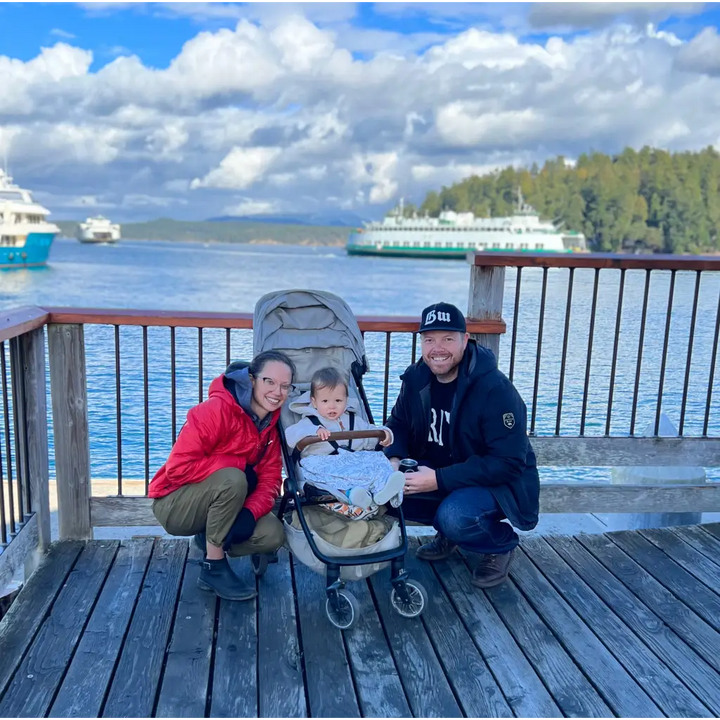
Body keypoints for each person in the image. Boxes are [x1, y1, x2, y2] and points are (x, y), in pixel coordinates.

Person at [384, 302, 539, 588]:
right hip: (441, 475)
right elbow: (398, 425)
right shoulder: (416, 377)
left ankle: (499, 545)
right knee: (384, 495)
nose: (437, 348)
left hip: (496, 485)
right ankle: (450, 533)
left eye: (447, 339)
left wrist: (438, 479)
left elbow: (509, 463)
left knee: (455, 516)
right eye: (429, 339)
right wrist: (394, 459)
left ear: (465, 340)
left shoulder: (495, 390)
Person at [149, 350, 296, 602]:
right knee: (233, 479)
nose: (277, 391)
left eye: (285, 386)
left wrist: (249, 514)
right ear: (251, 380)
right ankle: (213, 568)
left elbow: (270, 479)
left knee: (273, 534)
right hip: (175, 504)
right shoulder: (215, 410)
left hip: (222, 504)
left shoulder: (271, 424)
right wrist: (237, 464)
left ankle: (208, 538)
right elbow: (177, 469)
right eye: (269, 381)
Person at [285, 367, 405, 512]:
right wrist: (314, 432)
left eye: (338, 400)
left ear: (346, 400)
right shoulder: (310, 422)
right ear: (314, 402)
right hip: (323, 466)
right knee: (323, 478)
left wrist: (385, 434)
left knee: (377, 458)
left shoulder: (353, 420)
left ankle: (382, 490)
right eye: (325, 401)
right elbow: (290, 436)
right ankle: (351, 494)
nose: (332, 406)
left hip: (350, 464)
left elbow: (370, 432)